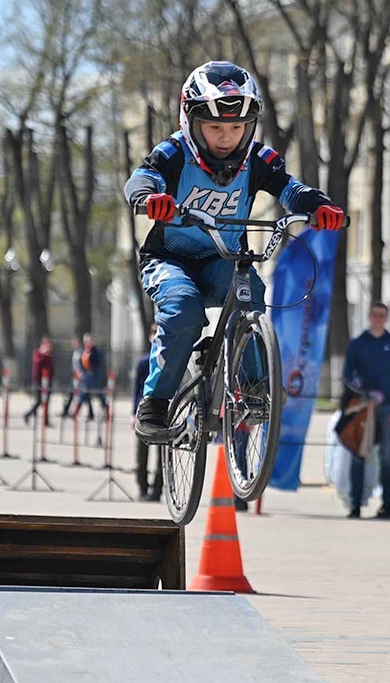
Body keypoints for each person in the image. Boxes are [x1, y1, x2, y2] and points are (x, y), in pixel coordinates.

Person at [124, 60, 345, 442]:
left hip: (222, 259)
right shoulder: (174, 153)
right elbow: (143, 177)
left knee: (251, 296)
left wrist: (318, 206)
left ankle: (254, 387)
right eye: (214, 127)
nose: (226, 137)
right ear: (191, 122)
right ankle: (155, 405)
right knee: (183, 311)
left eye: (235, 127)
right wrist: (149, 197)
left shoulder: (257, 160)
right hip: (169, 259)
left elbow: (290, 189)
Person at [342, 302, 390, 518]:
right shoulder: (358, 344)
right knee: (358, 454)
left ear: (386, 318)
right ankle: (355, 505)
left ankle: (387, 504)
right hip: (363, 408)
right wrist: (362, 391)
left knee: (388, 457)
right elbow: (348, 376)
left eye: (382, 315)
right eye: (375, 315)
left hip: (388, 408)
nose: (378, 318)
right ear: (369, 316)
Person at [133, 325, 163, 502]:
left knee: (161, 455)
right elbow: (136, 389)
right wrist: (132, 412)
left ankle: (157, 489)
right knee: (141, 453)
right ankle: (142, 487)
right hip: (143, 409)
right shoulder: (143, 362)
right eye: (154, 333)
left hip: (162, 411)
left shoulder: (168, 361)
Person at [23, 335, 54, 426]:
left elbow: (51, 368)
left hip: (48, 380)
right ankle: (28, 414)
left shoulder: (49, 355)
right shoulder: (37, 353)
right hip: (39, 381)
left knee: (47, 401)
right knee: (39, 400)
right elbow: (38, 363)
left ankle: (46, 420)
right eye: (46, 343)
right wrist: (44, 354)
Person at [78, 333, 106, 422]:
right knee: (85, 394)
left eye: (90, 341)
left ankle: (106, 410)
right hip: (86, 377)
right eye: (87, 341)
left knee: (99, 394)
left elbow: (98, 363)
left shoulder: (96, 351)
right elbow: (81, 363)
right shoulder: (83, 351)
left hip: (95, 376)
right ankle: (89, 413)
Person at [59, 335, 83, 418]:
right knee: (70, 394)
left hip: (79, 377)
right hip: (75, 376)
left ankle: (74, 412)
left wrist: (81, 373)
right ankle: (66, 411)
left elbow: (83, 365)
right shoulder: (75, 352)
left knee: (82, 396)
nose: (72, 344)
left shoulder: (81, 352)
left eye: (74, 342)